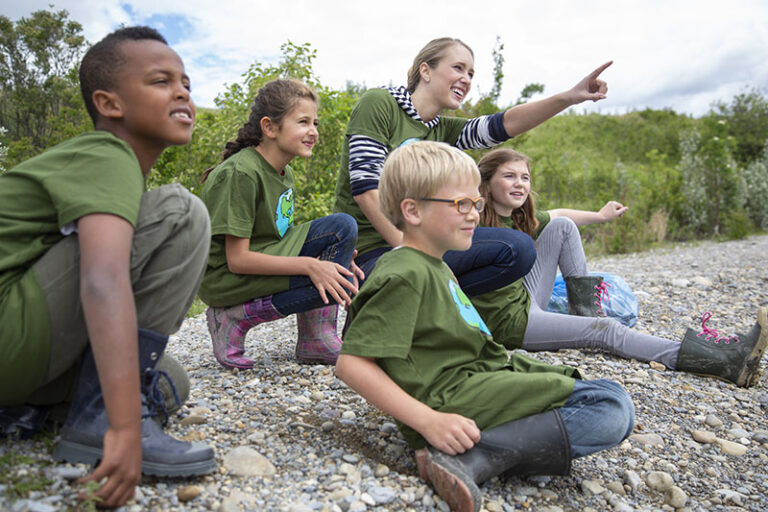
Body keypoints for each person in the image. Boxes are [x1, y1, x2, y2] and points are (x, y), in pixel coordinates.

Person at [336, 141, 635, 512]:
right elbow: (351, 363)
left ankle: (479, 449)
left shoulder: (437, 265)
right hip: (452, 398)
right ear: (412, 211)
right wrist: (428, 423)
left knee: (599, 391)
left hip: (476, 383)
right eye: (461, 204)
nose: (474, 214)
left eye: (475, 203)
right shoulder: (405, 272)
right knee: (610, 406)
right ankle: (472, 456)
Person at [0, 27, 216, 508]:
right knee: (181, 211)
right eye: (161, 81)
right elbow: (103, 280)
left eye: (186, 83)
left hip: (17, 350)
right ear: (109, 104)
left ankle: (24, 410)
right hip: (8, 327)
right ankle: (99, 421)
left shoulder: (114, 171)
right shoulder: (105, 153)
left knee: (168, 379)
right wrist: (121, 426)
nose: (182, 91)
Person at [333, 36, 613, 297]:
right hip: (370, 253)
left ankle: (441, 303)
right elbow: (366, 190)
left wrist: (569, 98)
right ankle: (411, 295)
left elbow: (503, 125)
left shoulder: (442, 130)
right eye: (458, 68)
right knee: (420, 269)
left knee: (517, 249)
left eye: (471, 74)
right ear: (426, 71)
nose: (466, 79)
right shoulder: (381, 104)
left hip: (423, 244)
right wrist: (413, 255)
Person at [472, 147, 768, 387]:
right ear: (486, 182)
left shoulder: (520, 219)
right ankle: (723, 361)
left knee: (562, 225)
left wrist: (600, 216)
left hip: (524, 301)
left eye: (525, 177)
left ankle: (585, 313)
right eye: (509, 176)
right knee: (607, 330)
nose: (520, 184)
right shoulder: (469, 221)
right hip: (508, 323)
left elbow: (561, 213)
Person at [200, 79, 363, 369]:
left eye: (315, 122)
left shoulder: (284, 173)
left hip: (261, 258)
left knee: (343, 231)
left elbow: (280, 239)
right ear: (270, 127)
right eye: (303, 122)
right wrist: (311, 264)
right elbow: (237, 260)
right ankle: (230, 317)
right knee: (321, 272)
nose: (313, 131)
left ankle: (315, 338)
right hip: (226, 279)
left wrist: (333, 259)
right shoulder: (242, 173)